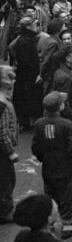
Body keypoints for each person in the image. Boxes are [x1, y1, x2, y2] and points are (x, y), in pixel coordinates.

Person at [31, 92, 72, 238]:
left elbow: (36, 146)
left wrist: (42, 158)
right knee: (67, 194)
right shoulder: (66, 124)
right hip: (64, 164)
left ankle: (50, 222)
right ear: (61, 106)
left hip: (48, 164)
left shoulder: (39, 123)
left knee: (50, 192)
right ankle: (67, 225)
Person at [0, 67, 15, 224]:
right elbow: (2, 133)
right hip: (3, 151)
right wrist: (10, 151)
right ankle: (5, 211)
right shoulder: (2, 104)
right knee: (7, 179)